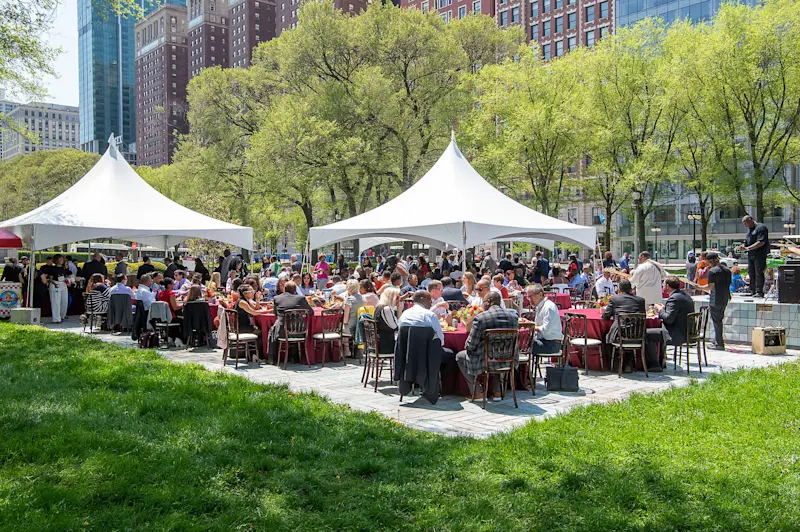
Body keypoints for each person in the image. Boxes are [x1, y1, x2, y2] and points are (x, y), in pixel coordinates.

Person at [456, 291, 518, 401]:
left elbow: (471, 344)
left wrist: (467, 347)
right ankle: (497, 391)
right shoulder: (513, 317)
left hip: (486, 360)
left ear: (488, 302)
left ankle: (477, 392)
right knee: (497, 352)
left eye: (483, 302)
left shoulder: (481, 318)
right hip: (509, 359)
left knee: (460, 356)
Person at [649, 277, 695, 371]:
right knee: (654, 332)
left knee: (646, 334)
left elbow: (668, 319)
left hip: (676, 334)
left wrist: (660, 309)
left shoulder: (674, 298)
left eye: (663, 284)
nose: (662, 286)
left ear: (667, 286)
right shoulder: (684, 296)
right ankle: (662, 360)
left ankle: (655, 364)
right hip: (687, 332)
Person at [601, 279, 646, 354]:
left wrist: (604, 312)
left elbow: (606, 317)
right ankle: (630, 360)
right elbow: (643, 315)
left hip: (620, 334)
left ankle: (613, 361)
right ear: (631, 289)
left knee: (604, 337)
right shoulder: (640, 300)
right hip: (638, 334)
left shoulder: (614, 299)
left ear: (619, 289)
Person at [525, 284, 563, 356]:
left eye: (531, 296)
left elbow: (546, 330)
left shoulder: (548, 307)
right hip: (544, 341)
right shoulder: (541, 306)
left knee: (521, 346)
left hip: (551, 344)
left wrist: (531, 326)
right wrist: (528, 323)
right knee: (521, 343)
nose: (529, 299)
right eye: (528, 297)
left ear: (540, 294)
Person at [706, 252, 732, 350]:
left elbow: (711, 287)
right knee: (719, 320)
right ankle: (717, 340)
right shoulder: (727, 270)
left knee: (717, 321)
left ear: (711, 261)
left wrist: (698, 286)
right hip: (725, 298)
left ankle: (719, 344)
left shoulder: (713, 271)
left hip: (715, 299)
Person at [741, 215, 770, 297]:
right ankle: (752, 290)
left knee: (759, 272)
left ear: (751, 220)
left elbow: (761, 242)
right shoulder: (749, 230)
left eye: (746, 223)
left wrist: (749, 248)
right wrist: (743, 246)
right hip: (751, 255)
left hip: (759, 254)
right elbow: (747, 241)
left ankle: (759, 291)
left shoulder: (761, 228)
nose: (745, 225)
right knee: (751, 272)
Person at [41, 254, 71, 323]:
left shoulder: (64, 268)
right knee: (56, 302)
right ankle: (56, 319)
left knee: (64, 301)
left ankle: (62, 316)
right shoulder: (52, 268)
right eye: (59, 259)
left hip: (63, 284)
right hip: (55, 284)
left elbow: (65, 275)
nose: (61, 260)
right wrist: (54, 284)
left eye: (62, 259)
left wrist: (67, 280)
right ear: (56, 260)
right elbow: (50, 278)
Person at [374, 287, 403, 355]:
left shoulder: (378, 307)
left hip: (380, 343)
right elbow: (396, 327)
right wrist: (399, 311)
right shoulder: (386, 309)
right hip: (386, 345)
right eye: (397, 298)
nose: (399, 300)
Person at [341, 279, 364, 357]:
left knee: (340, 327)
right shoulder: (362, 298)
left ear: (348, 287)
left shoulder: (349, 299)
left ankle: (346, 350)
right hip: (359, 324)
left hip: (351, 326)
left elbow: (345, 319)